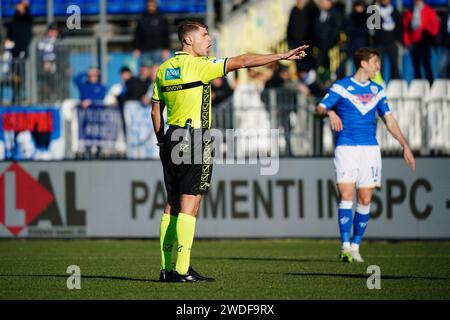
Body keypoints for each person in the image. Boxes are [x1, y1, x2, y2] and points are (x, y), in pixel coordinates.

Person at [151, 20, 308, 282]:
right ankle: (182, 270)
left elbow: (156, 110)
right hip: (195, 137)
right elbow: (244, 61)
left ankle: (167, 268)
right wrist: (282, 55)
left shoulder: (164, 69)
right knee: (190, 203)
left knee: (172, 203)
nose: (210, 39)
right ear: (188, 40)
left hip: (170, 138)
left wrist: (161, 141)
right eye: (204, 35)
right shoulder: (200, 66)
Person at [315, 47, 415, 263]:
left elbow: (389, 120)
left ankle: (356, 246)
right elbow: (319, 108)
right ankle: (344, 246)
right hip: (347, 146)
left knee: (366, 198)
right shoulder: (341, 87)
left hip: (370, 148)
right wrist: (330, 111)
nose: (378, 66)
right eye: (375, 62)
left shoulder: (378, 90)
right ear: (363, 63)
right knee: (346, 193)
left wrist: (404, 145)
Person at [403, 0, 440, 83]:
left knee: (427, 65)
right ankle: (418, 87)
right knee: (416, 67)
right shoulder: (409, 12)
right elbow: (406, 29)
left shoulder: (429, 11)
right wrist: (408, 42)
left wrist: (430, 35)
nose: (417, 2)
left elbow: (435, 26)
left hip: (425, 43)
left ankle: (431, 86)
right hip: (414, 44)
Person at [132, 0, 170, 67]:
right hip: (145, 50)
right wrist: (136, 48)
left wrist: (166, 48)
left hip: (159, 50)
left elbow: (166, 34)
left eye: (152, 5)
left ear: (156, 5)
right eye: (149, 5)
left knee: (157, 71)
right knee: (145, 73)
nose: (150, 7)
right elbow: (137, 34)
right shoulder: (142, 17)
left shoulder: (161, 17)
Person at [374, 0, 403, 80]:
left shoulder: (395, 11)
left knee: (395, 66)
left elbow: (400, 27)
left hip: (392, 43)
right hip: (379, 43)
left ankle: (395, 87)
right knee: (379, 67)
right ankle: (379, 87)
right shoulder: (375, 10)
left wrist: (399, 41)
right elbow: (372, 26)